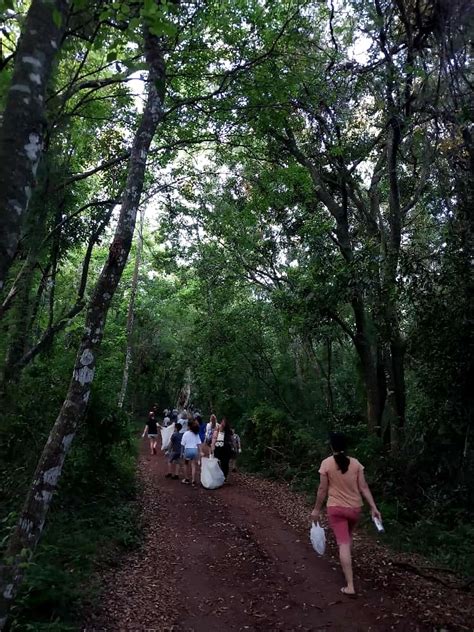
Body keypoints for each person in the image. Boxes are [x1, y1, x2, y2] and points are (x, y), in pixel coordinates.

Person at [311, 432, 382, 596]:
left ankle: (350, 585)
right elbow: (364, 487)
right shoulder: (356, 464)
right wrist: (373, 507)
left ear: (331, 446)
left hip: (336, 509)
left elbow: (322, 489)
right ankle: (347, 561)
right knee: (347, 539)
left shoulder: (326, 464)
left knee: (342, 543)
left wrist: (316, 509)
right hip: (355, 509)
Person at [180, 419, 203, 487]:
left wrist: (182, 453)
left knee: (186, 464)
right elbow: (199, 444)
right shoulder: (196, 434)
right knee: (193, 465)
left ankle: (186, 478)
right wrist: (200, 451)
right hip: (194, 450)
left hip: (187, 450)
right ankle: (193, 480)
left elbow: (182, 444)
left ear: (188, 426)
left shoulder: (185, 434)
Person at [211, 417, 235, 481]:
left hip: (226, 449)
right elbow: (214, 438)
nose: (222, 423)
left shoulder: (229, 431)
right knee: (218, 462)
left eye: (224, 422)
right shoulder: (217, 429)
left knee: (225, 463)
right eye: (222, 422)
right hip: (218, 448)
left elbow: (232, 440)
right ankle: (218, 476)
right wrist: (212, 447)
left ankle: (224, 476)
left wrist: (233, 447)